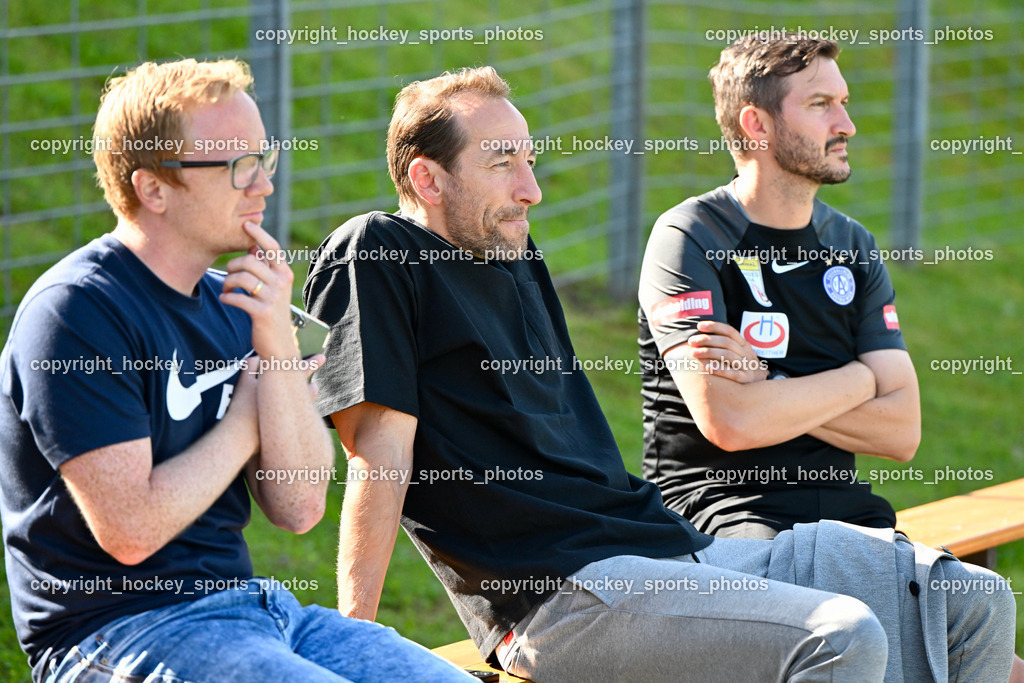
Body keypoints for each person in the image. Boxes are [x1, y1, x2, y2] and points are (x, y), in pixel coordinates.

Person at [303, 65, 1015, 682]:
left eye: (530, 160)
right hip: (559, 593)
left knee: (974, 599)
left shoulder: (512, 254)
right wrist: (351, 640)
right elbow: (377, 453)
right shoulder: (377, 251)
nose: (532, 190)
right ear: (426, 178)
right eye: (502, 164)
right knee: (840, 636)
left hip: (672, 548)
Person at [0, 58, 473, 683]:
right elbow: (132, 531)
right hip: (117, 629)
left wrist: (277, 348)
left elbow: (300, 505)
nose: (264, 186)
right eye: (237, 167)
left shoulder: (240, 305)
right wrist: (247, 418)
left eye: (265, 159)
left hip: (259, 611)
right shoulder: (78, 313)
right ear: (154, 189)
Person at [638, 35, 918, 540]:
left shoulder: (852, 245)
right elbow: (730, 421)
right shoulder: (690, 237)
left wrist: (770, 386)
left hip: (848, 515)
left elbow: (902, 430)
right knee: (840, 605)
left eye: (844, 104)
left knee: (978, 599)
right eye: (820, 105)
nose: (846, 125)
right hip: (722, 514)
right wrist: (863, 379)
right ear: (757, 125)